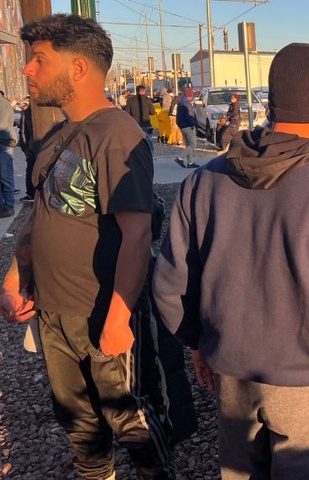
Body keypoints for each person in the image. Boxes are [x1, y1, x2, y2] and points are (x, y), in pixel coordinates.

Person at [152, 43, 309, 480]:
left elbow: (169, 286)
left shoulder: (203, 182)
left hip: (232, 377)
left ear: (271, 106)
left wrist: (199, 341)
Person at [2, 14, 173, 479]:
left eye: (39, 60)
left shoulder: (116, 134)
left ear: (78, 69)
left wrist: (118, 318)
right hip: (54, 311)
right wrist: (16, 276)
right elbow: (38, 214)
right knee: (77, 420)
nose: (28, 71)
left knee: (131, 419)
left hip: (101, 311)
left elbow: (137, 234)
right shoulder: (55, 135)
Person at [0, 90, 16, 217]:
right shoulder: (4, 103)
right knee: (5, 176)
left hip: (3, 143)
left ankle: (8, 205)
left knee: (5, 176)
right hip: (4, 142)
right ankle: (4, 205)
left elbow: (3, 126)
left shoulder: (3, 105)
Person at [174, 86, 198, 168]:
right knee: (193, 145)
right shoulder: (187, 104)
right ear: (190, 95)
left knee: (188, 145)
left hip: (182, 126)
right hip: (188, 127)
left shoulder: (181, 103)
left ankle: (190, 163)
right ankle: (180, 158)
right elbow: (189, 116)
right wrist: (193, 124)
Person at [17, 100, 36, 202]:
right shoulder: (26, 113)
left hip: (43, 146)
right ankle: (31, 194)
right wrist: (25, 148)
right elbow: (23, 132)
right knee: (30, 171)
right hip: (32, 148)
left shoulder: (49, 111)